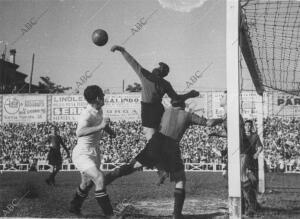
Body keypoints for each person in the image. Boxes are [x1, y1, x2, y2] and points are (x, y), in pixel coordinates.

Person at [105, 97, 207, 219]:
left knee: (132, 166)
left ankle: (104, 181)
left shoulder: (166, 111)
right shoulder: (188, 115)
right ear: (183, 105)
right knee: (180, 179)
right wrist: (222, 120)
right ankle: (176, 214)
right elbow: (209, 123)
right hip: (171, 145)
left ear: (172, 103)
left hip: (156, 142)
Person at [111, 45, 199, 184]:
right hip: (160, 111)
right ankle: (162, 169)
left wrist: (122, 50)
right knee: (157, 141)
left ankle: (161, 170)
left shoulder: (146, 76)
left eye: (157, 67)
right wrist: (190, 94)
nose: (155, 68)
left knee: (153, 144)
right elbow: (176, 100)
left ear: (157, 70)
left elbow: (133, 63)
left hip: (148, 110)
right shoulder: (166, 84)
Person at [69, 85, 119, 219]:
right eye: (103, 94)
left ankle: (74, 206)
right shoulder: (87, 114)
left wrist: (109, 131)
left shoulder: (99, 110)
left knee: (86, 183)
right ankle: (110, 215)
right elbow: (79, 132)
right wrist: (101, 126)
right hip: (82, 153)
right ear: (98, 98)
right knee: (99, 178)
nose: (104, 97)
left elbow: (100, 124)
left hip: (94, 151)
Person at [207, 91, 258, 217]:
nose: (221, 97)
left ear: (228, 100)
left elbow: (237, 132)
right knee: (233, 177)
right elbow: (231, 132)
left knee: (241, 177)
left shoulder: (233, 113)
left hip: (240, 149)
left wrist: (217, 121)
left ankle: (252, 207)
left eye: (223, 96)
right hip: (235, 149)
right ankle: (241, 206)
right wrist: (216, 133)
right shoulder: (227, 115)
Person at [244, 120, 263, 188]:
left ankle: (254, 190)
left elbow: (260, 147)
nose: (248, 127)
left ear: (251, 126)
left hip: (252, 158)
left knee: (254, 178)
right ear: (244, 126)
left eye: (249, 125)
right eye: (246, 125)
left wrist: (257, 153)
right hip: (242, 158)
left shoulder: (255, 136)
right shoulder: (241, 135)